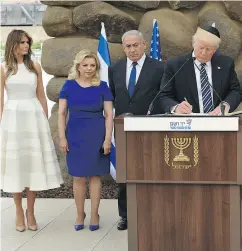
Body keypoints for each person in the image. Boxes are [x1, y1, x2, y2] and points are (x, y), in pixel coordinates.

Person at [0, 29, 63, 232]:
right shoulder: (3, 69)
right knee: (17, 166)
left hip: (33, 117)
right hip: (13, 119)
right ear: (13, 45)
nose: (26, 46)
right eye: (22, 43)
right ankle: (18, 209)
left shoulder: (35, 66)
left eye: (28, 42)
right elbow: (0, 100)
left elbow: (42, 96)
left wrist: (44, 120)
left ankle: (31, 210)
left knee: (33, 164)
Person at [108, 30, 164, 230]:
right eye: (128, 46)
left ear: (144, 45)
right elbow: (115, 98)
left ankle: (152, 213)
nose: (132, 49)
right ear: (123, 48)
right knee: (125, 173)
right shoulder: (114, 68)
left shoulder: (159, 68)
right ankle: (126, 215)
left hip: (150, 130)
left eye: (135, 45)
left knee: (152, 171)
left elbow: (163, 97)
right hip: (123, 132)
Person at [58, 49, 113, 231]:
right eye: (85, 65)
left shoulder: (103, 86)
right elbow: (61, 113)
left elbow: (108, 115)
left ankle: (95, 213)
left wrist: (107, 140)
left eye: (92, 65)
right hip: (74, 135)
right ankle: (80, 213)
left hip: (96, 135)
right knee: (79, 177)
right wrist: (62, 138)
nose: (89, 68)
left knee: (95, 176)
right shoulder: (68, 86)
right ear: (78, 66)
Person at [159, 25, 241, 114]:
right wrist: (176, 107)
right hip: (187, 123)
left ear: (215, 50)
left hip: (218, 121)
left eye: (208, 49)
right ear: (194, 43)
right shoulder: (175, 65)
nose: (203, 52)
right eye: (201, 47)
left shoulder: (226, 64)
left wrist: (226, 105)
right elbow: (164, 95)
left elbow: (235, 91)